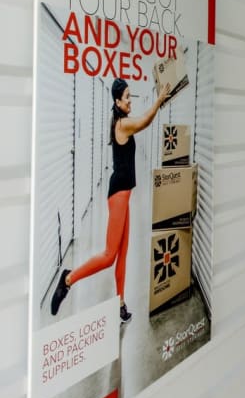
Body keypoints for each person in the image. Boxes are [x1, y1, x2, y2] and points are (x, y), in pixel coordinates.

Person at [50, 76, 170, 323]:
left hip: (124, 194)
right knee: (109, 255)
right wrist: (158, 100)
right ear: (117, 100)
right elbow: (145, 122)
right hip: (117, 195)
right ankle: (68, 279)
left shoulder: (119, 119)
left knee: (122, 254)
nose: (130, 102)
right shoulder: (123, 123)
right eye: (127, 98)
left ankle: (120, 303)